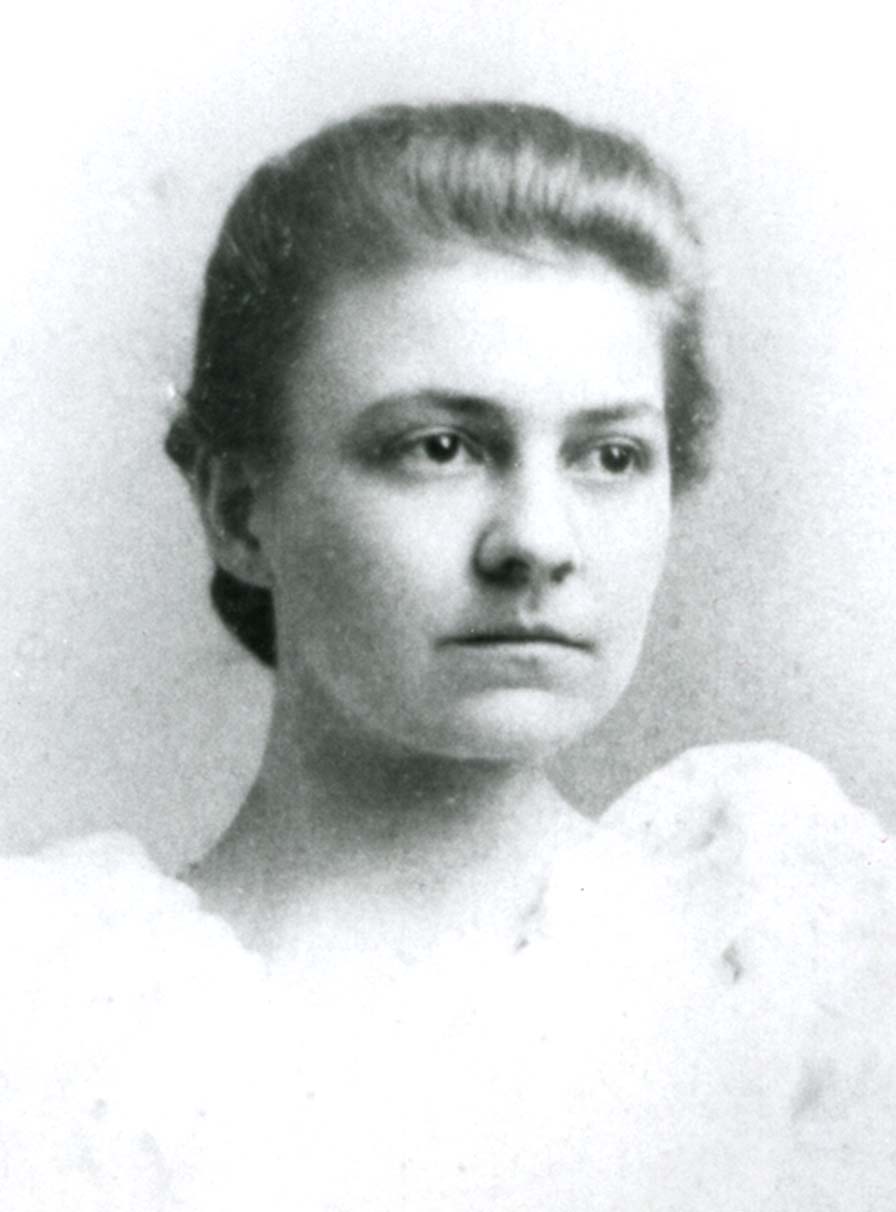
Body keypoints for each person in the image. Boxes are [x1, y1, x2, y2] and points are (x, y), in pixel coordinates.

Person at [0, 101, 893, 1210]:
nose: (535, 541)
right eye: (439, 448)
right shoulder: (47, 1021)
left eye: (609, 456)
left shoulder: (786, 970)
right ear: (239, 511)